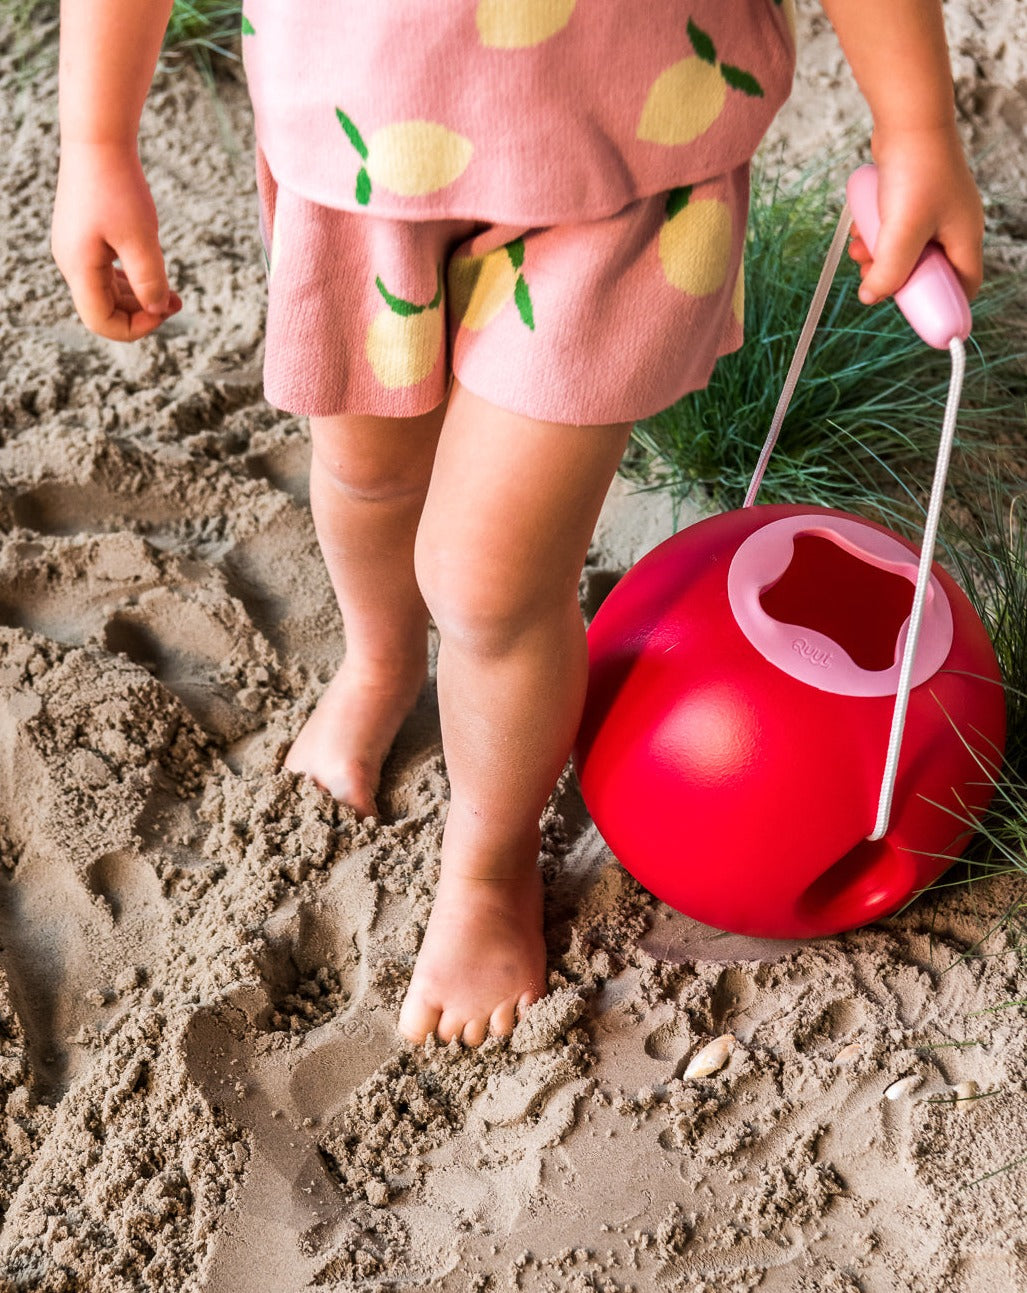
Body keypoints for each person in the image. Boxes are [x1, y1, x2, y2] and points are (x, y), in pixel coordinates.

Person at [52, 0, 984, 1049]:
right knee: (366, 474)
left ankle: (488, 864)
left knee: (488, 577)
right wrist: (96, 139)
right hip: (357, 140)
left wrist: (916, 126)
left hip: (626, 162)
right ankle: (379, 660)